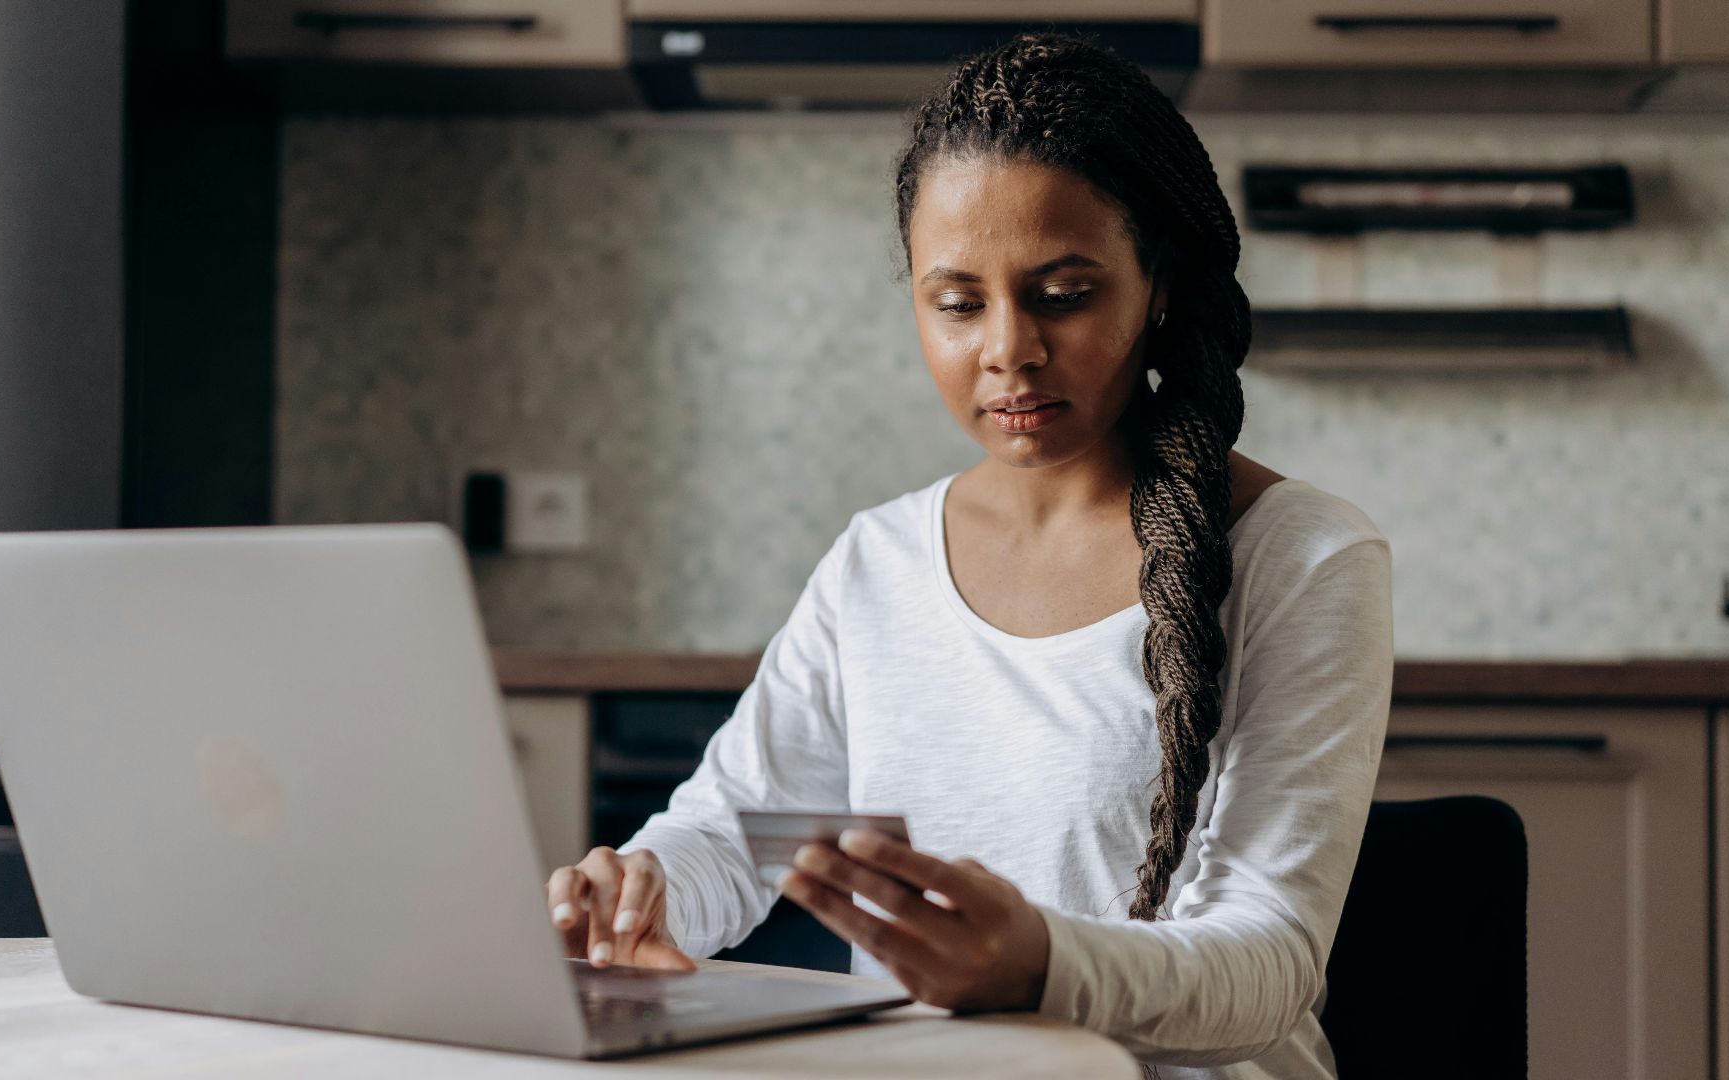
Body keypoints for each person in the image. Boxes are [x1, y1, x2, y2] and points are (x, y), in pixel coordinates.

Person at [543, 30, 1394, 1079]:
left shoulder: (1301, 557)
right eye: (957, 303)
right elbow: (741, 834)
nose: (1009, 349)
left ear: (1157, 284)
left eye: (1064, 293)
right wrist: (640, 888)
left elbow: (1268, 968)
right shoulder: (879, 564)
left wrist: (1038, 962)